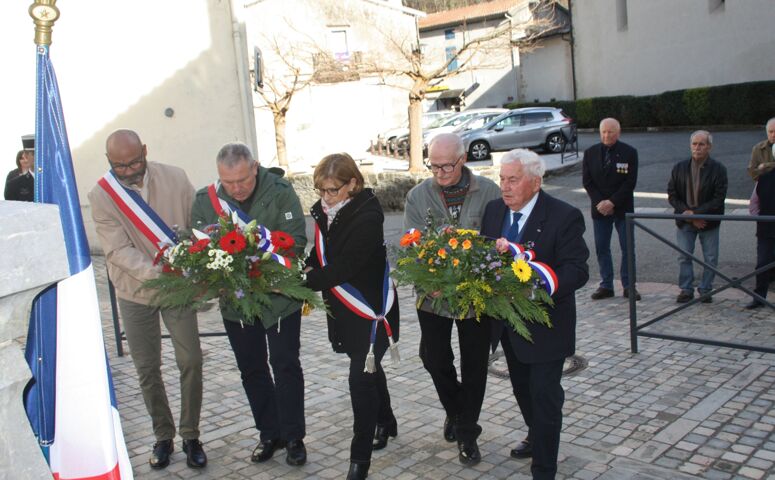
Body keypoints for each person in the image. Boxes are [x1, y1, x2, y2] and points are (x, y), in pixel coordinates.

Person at [88, 129, 206, 469]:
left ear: (145, 150)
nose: (128, 171)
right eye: (119, 165)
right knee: (147, 368)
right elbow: (118, 251)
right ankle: (163, 435)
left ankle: (191, 434)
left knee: (191, 360)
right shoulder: (101, 194)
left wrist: (200, 261)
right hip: (134, 290)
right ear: (109, 161)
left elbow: (195, 224)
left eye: (134, 162)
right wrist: (164, 273)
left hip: (178, 289)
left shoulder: (175, 177)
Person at [190, 142, 308, 467]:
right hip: (237, 302)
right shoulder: (205, 201)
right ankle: (270, 433)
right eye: (229, 183)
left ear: (254, 167)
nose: (237, 189)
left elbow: (296, 240)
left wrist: (263, 267)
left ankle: (295, 436)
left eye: (243, 180)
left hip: (281, 297)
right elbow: (200, 250)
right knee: (252, 369)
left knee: (285, 365)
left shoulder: (281, 191)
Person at [480, 149, 589, 480]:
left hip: (545, 327)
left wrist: (538, 286)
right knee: (522, 390)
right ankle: (536, 435)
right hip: (506, 326)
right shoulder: (494, 210)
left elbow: (577, 270)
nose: (504, 186)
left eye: (513, 179)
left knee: (545, 397)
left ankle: (544, 468)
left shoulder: (563, 216)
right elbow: (485, 257)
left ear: (536, 182)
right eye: (501, 178)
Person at [402, 133, 501, 466]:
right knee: (435, 359)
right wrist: (425, 278)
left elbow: (497, 243)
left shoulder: (488, 192)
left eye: (447, 165)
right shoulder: (418, 195)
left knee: (475, 366)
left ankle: (467, 432)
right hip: (433, 297)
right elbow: (409, 246)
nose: (440, 173)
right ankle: (457, 410)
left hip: (477, 298)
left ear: (463, 160)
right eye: (434, 165)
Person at [304, 153, 399, 480]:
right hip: (345, 310)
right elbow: (319, 253)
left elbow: (345, 267)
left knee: (359, 380)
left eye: (332, 190)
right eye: (321, 190)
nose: (325, 197)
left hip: (370, 312)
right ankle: (386, 420)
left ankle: (359, 461)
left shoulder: (368, 217)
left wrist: (304, 280)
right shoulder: (326, 211)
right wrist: (305, 264)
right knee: (370, 371)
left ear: (352, 184)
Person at [582, 118, 640, 301]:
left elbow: (630, 182)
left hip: (622, 208)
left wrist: (612, 202)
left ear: (618, 133)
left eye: (611, 132)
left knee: (627, 248)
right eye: (604, 132)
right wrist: (601, 202)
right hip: (600, 209)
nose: (607, 135)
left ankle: (629, 286)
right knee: (601, 248)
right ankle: (606, 285)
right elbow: (587, 181)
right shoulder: (590, 153)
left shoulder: (629, 152)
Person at [667, 130, 728, 304]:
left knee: (710, 258)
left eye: (701, 144)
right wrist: (689, 215)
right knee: (684, 256)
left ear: (709, 147)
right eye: (694, 144)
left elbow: (718, 198)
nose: (697, 147)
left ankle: (706, 289)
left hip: (708, 221)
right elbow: (672, 195)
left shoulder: (718, 169)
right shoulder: (679, 167)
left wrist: (697, 214)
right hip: (685, 220)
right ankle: (686, 289)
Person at [747, 167, 775, 309]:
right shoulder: (764, 178)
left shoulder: (763, 178)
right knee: (763, 264)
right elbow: (754, 204)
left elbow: (753, 206)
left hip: (766, 229)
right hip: (767, 230)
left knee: (763, 264)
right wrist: (763, 221)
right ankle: (759, 298)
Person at [5, 135, 35, 201]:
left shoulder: (56, 182)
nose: (40, 157)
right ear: (26, 155)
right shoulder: (14, 185)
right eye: (34, 154)